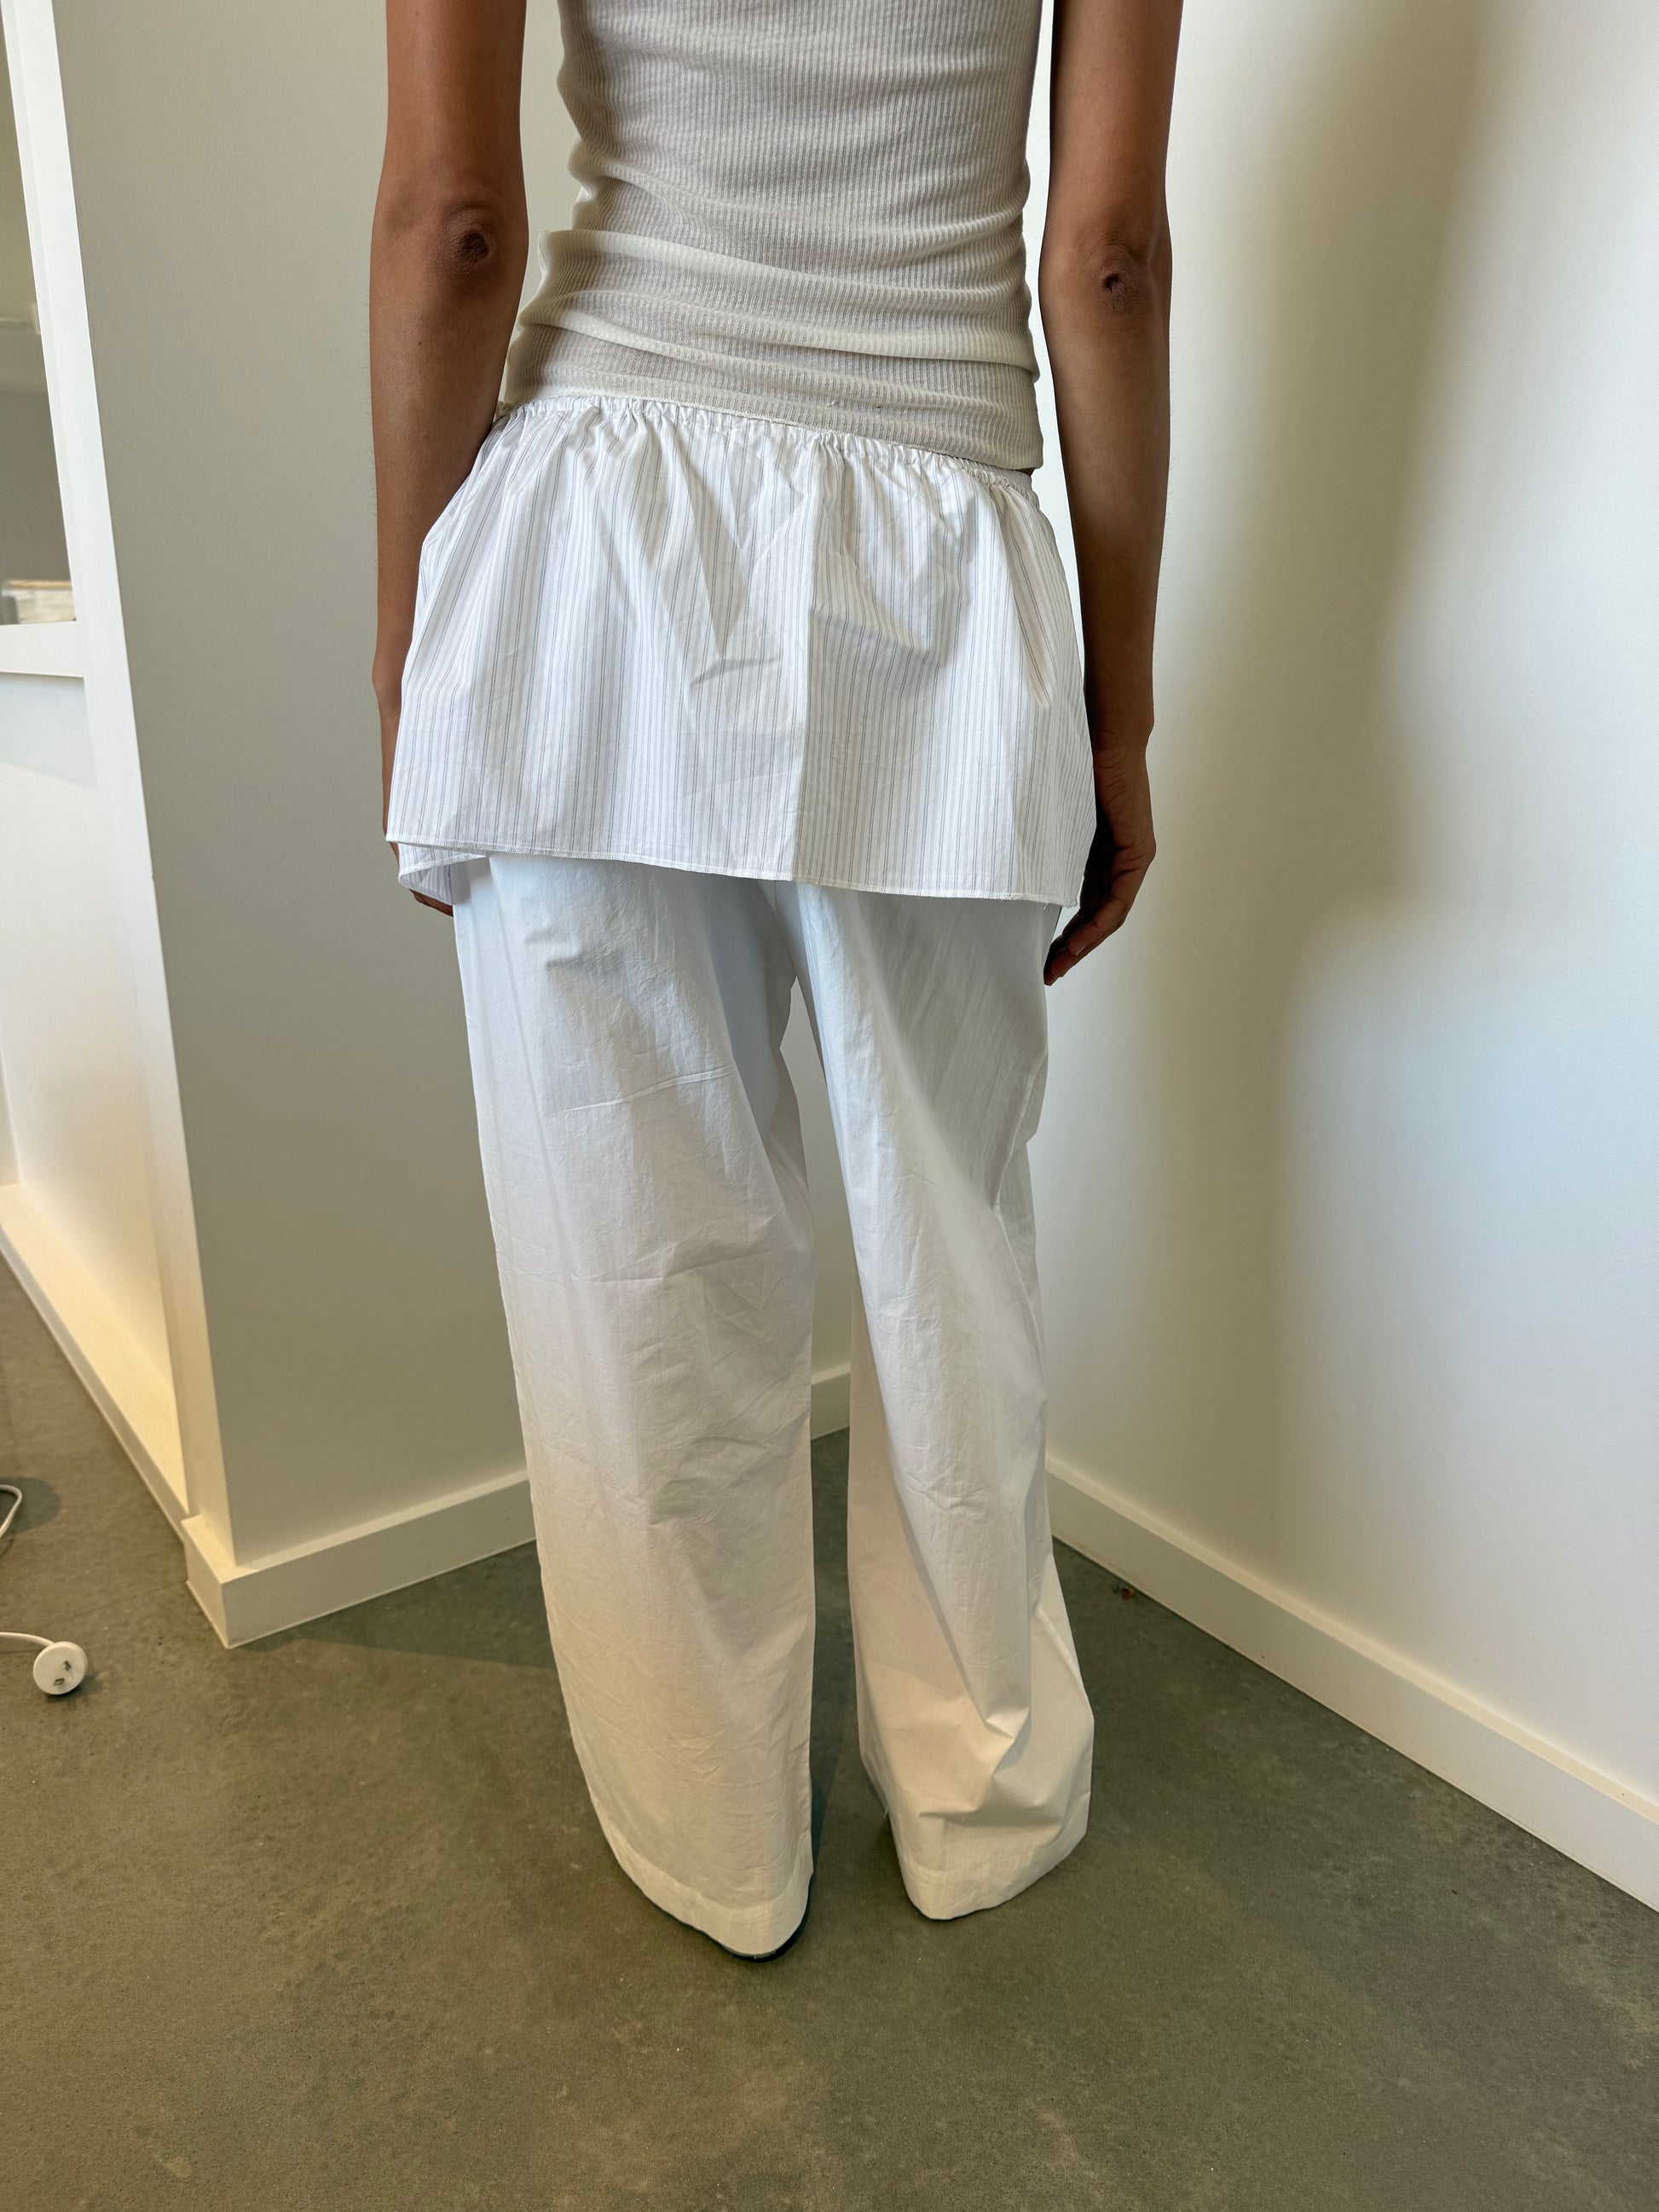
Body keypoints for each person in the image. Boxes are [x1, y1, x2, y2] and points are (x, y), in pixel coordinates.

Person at [371, 0, 1181, 1956]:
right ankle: (983, 1798)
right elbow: (1105, 252)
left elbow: (451, 218)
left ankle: (714, 1840)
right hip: (943, 557)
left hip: (596, 563)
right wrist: (1118, 720)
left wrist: (413, 654)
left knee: (633, 1248)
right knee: (948, 1248)